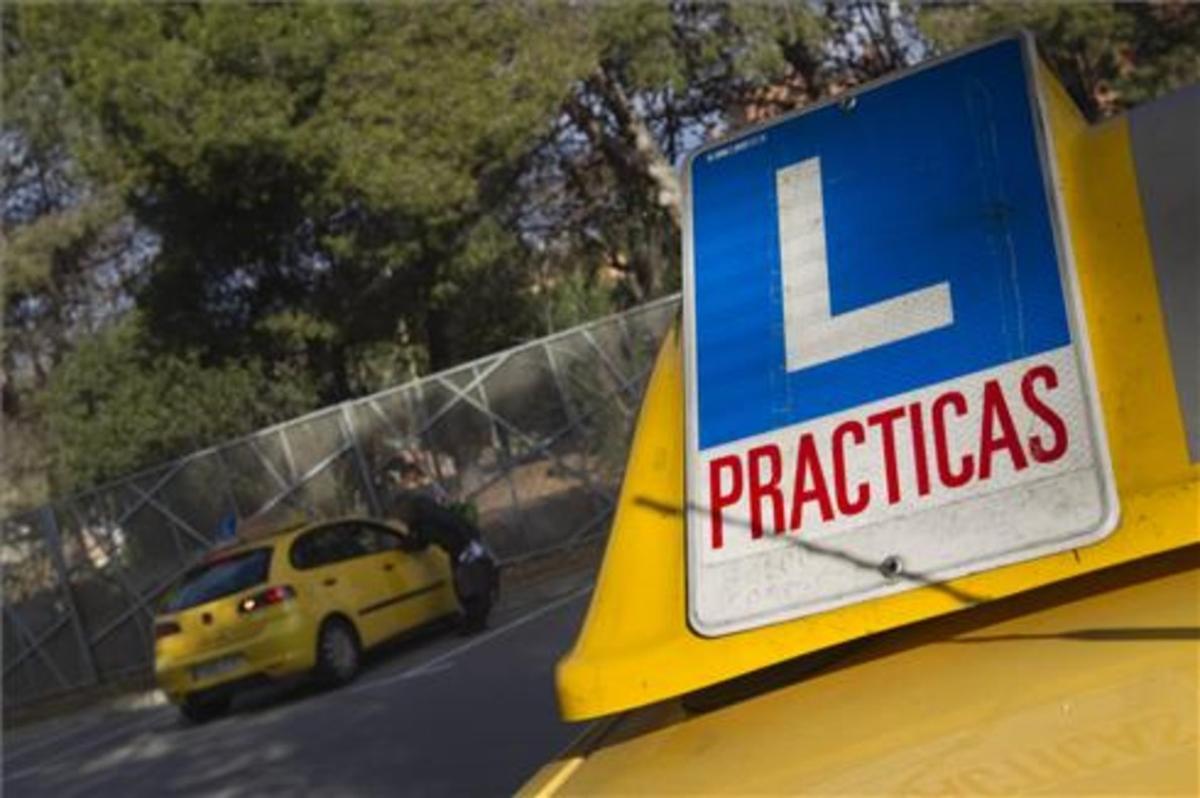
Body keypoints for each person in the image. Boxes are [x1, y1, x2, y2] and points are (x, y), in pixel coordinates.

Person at [381, 457, 498, 632]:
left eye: (400, 512)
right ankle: (475, 619)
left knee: (469, 584)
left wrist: (406, 545)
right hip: (464, 542)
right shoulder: (427, 510)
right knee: (470, 582)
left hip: (463, 544)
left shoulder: (424, 517)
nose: (400, 516)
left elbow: (423, 539)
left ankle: (476, 621)